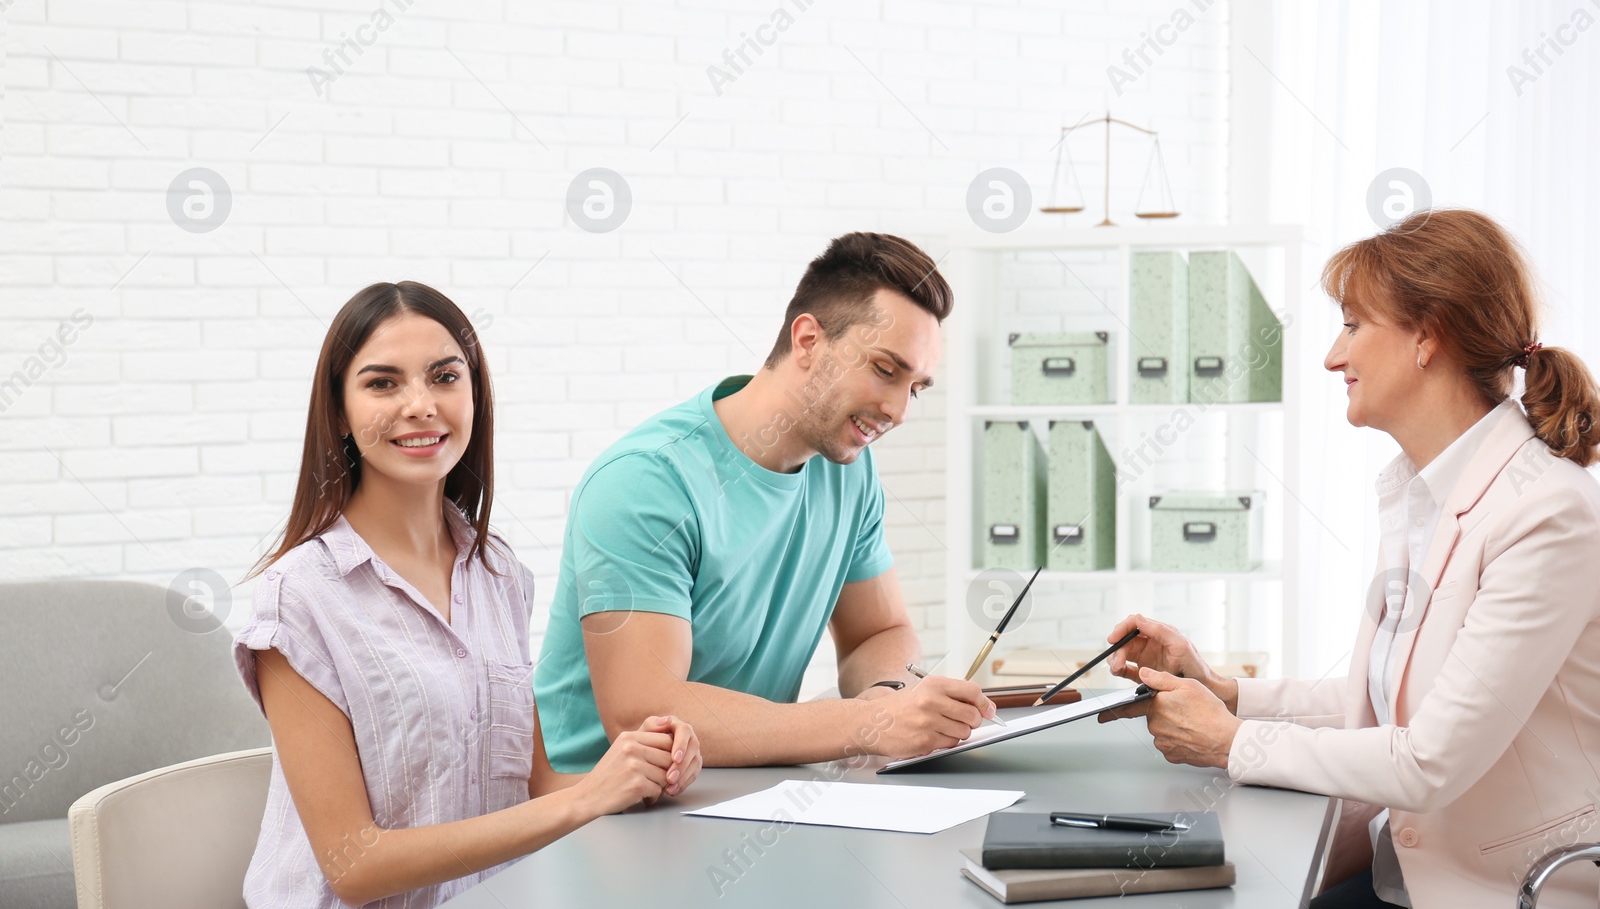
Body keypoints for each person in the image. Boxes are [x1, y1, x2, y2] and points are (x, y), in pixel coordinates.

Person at [1099, 210, 1600, 909]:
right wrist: (1223, 690)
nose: (1335, 356)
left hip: (1498, 891)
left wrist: (1231, 743)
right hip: (1400, 872)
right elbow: (1383, 706)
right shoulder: (1422, 494)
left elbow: (1429, 758)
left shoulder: (1547, 511)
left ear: (1429, 335)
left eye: (1353, 325)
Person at [232, 282, 701, 909]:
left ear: (473, 394)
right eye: (383, 383)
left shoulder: (498, 575)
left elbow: (537, 789)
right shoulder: (299, 597)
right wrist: (588, 800)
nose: (421, 404)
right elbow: (354, 865)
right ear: (339, 413)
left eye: (444, 376)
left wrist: (639, 771)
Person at [534, 232, 997, 771]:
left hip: (740, 794)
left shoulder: (847, 470)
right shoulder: (645, 482)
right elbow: (643, 713)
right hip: (606, 815)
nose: (898, 410)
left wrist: (885, 694)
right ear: (807, 341)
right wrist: (869, 725)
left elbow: (879, 630)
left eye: (915, 387)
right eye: (884, 370)